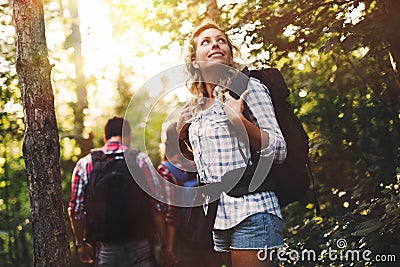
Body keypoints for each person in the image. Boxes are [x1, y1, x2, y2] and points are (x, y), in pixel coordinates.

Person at [177, 21, 287, 267]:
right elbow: (213, 162)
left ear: (229, 53)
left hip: (253, 210)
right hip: (218, 217)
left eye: (221, 40)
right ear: (195, 61)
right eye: (205, 41)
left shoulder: (249, 89)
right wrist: (184, 137)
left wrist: (239, 120)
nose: (215, 43)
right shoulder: (196, 106)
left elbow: (279, 149)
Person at [68, 116, 161, 267]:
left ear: (105, 137)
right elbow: (157, 205)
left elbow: (76, 210)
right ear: (128, 136)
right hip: (140, 244)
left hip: (105, 247)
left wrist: (81, 244)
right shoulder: (140, 160)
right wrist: (165, 246)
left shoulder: (85, 164)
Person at [156, 122, 224, 267]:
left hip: (182, 240)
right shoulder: (200, 162)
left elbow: (170, 212)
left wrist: (169, 247)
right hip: (209, 233)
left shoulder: (166, 170)